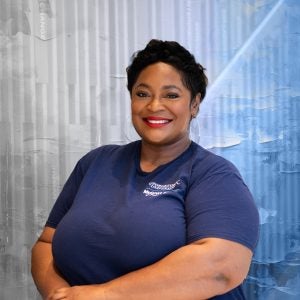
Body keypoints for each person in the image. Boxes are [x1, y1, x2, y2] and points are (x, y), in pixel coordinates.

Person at [31, 39, 259, 300]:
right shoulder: (95, 162)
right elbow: (46, 243)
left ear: (194, 104)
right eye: (142, 94)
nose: (154, 106)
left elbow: (222, 268)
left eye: (171, 95)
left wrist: (103, 295)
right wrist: (59, 294)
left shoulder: (213, 175)